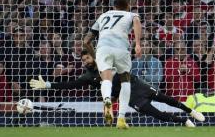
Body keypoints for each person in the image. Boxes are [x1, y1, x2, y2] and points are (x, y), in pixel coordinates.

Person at [29, 50, 204, 128]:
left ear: (94, 55)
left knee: (167, 99)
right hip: (129, 98)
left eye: (87, 58)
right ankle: (183, 121)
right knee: (157, 114)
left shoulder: (106, 61)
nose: (86, 62)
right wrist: (48, 84)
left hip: (136, 84)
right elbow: (69, 85)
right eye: (83, 60)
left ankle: (190, 111)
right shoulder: (88, 77)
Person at [83, 0, 142, 129]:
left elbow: (86, 41)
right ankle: (121, 118)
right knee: (125, 79)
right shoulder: (130, 14)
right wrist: (138, 44)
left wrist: (96, 57)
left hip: (103, 48)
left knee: (106, 79)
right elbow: (137, 21)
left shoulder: (103, 16)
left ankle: (107, 100)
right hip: (121, 48)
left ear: (114, 7)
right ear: (127, 6)